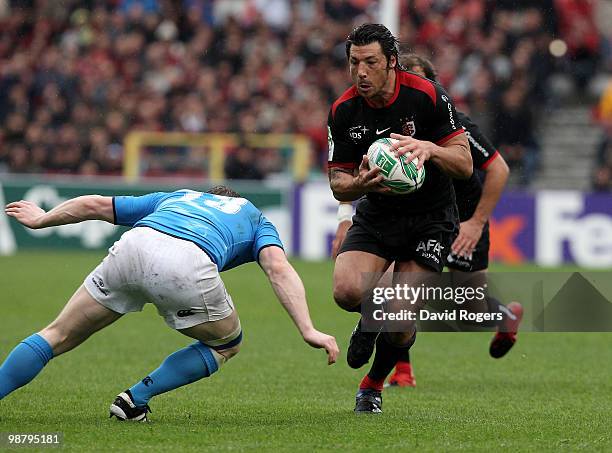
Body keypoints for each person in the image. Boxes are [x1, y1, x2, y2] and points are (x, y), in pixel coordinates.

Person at [1, 185, 339, 421]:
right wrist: (307, 328)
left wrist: (42, 219)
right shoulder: (255, 218)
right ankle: (135, 400)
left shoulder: (179, 197)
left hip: (135, 245)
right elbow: (278, 268)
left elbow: (95, 205)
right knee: (226, 344)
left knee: (57, 334)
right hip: (186, 265)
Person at [332, 54, 522, 390]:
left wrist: (476, 222)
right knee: (392, 293)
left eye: (416, 81)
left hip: (461, 215)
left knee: (468, 303)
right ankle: (398, 371)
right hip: (403, 217)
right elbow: (351, 168)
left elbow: (498, 169)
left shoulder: (453, 123)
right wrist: (345, 215)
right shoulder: (378, 122)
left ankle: (503, 315)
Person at [327, 24, 472, 413]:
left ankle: (372, 387)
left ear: (391, 62)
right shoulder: (344, 110)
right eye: (354, 63)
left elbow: (464, 163)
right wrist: (361, 182)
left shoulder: (425, 96)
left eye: (371, 62)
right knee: (345, 291)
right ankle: (368, 317)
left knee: (401, 316)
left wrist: (430, 149)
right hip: (379, 213)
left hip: (431, 218)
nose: (361, 72)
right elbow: (338, 184)